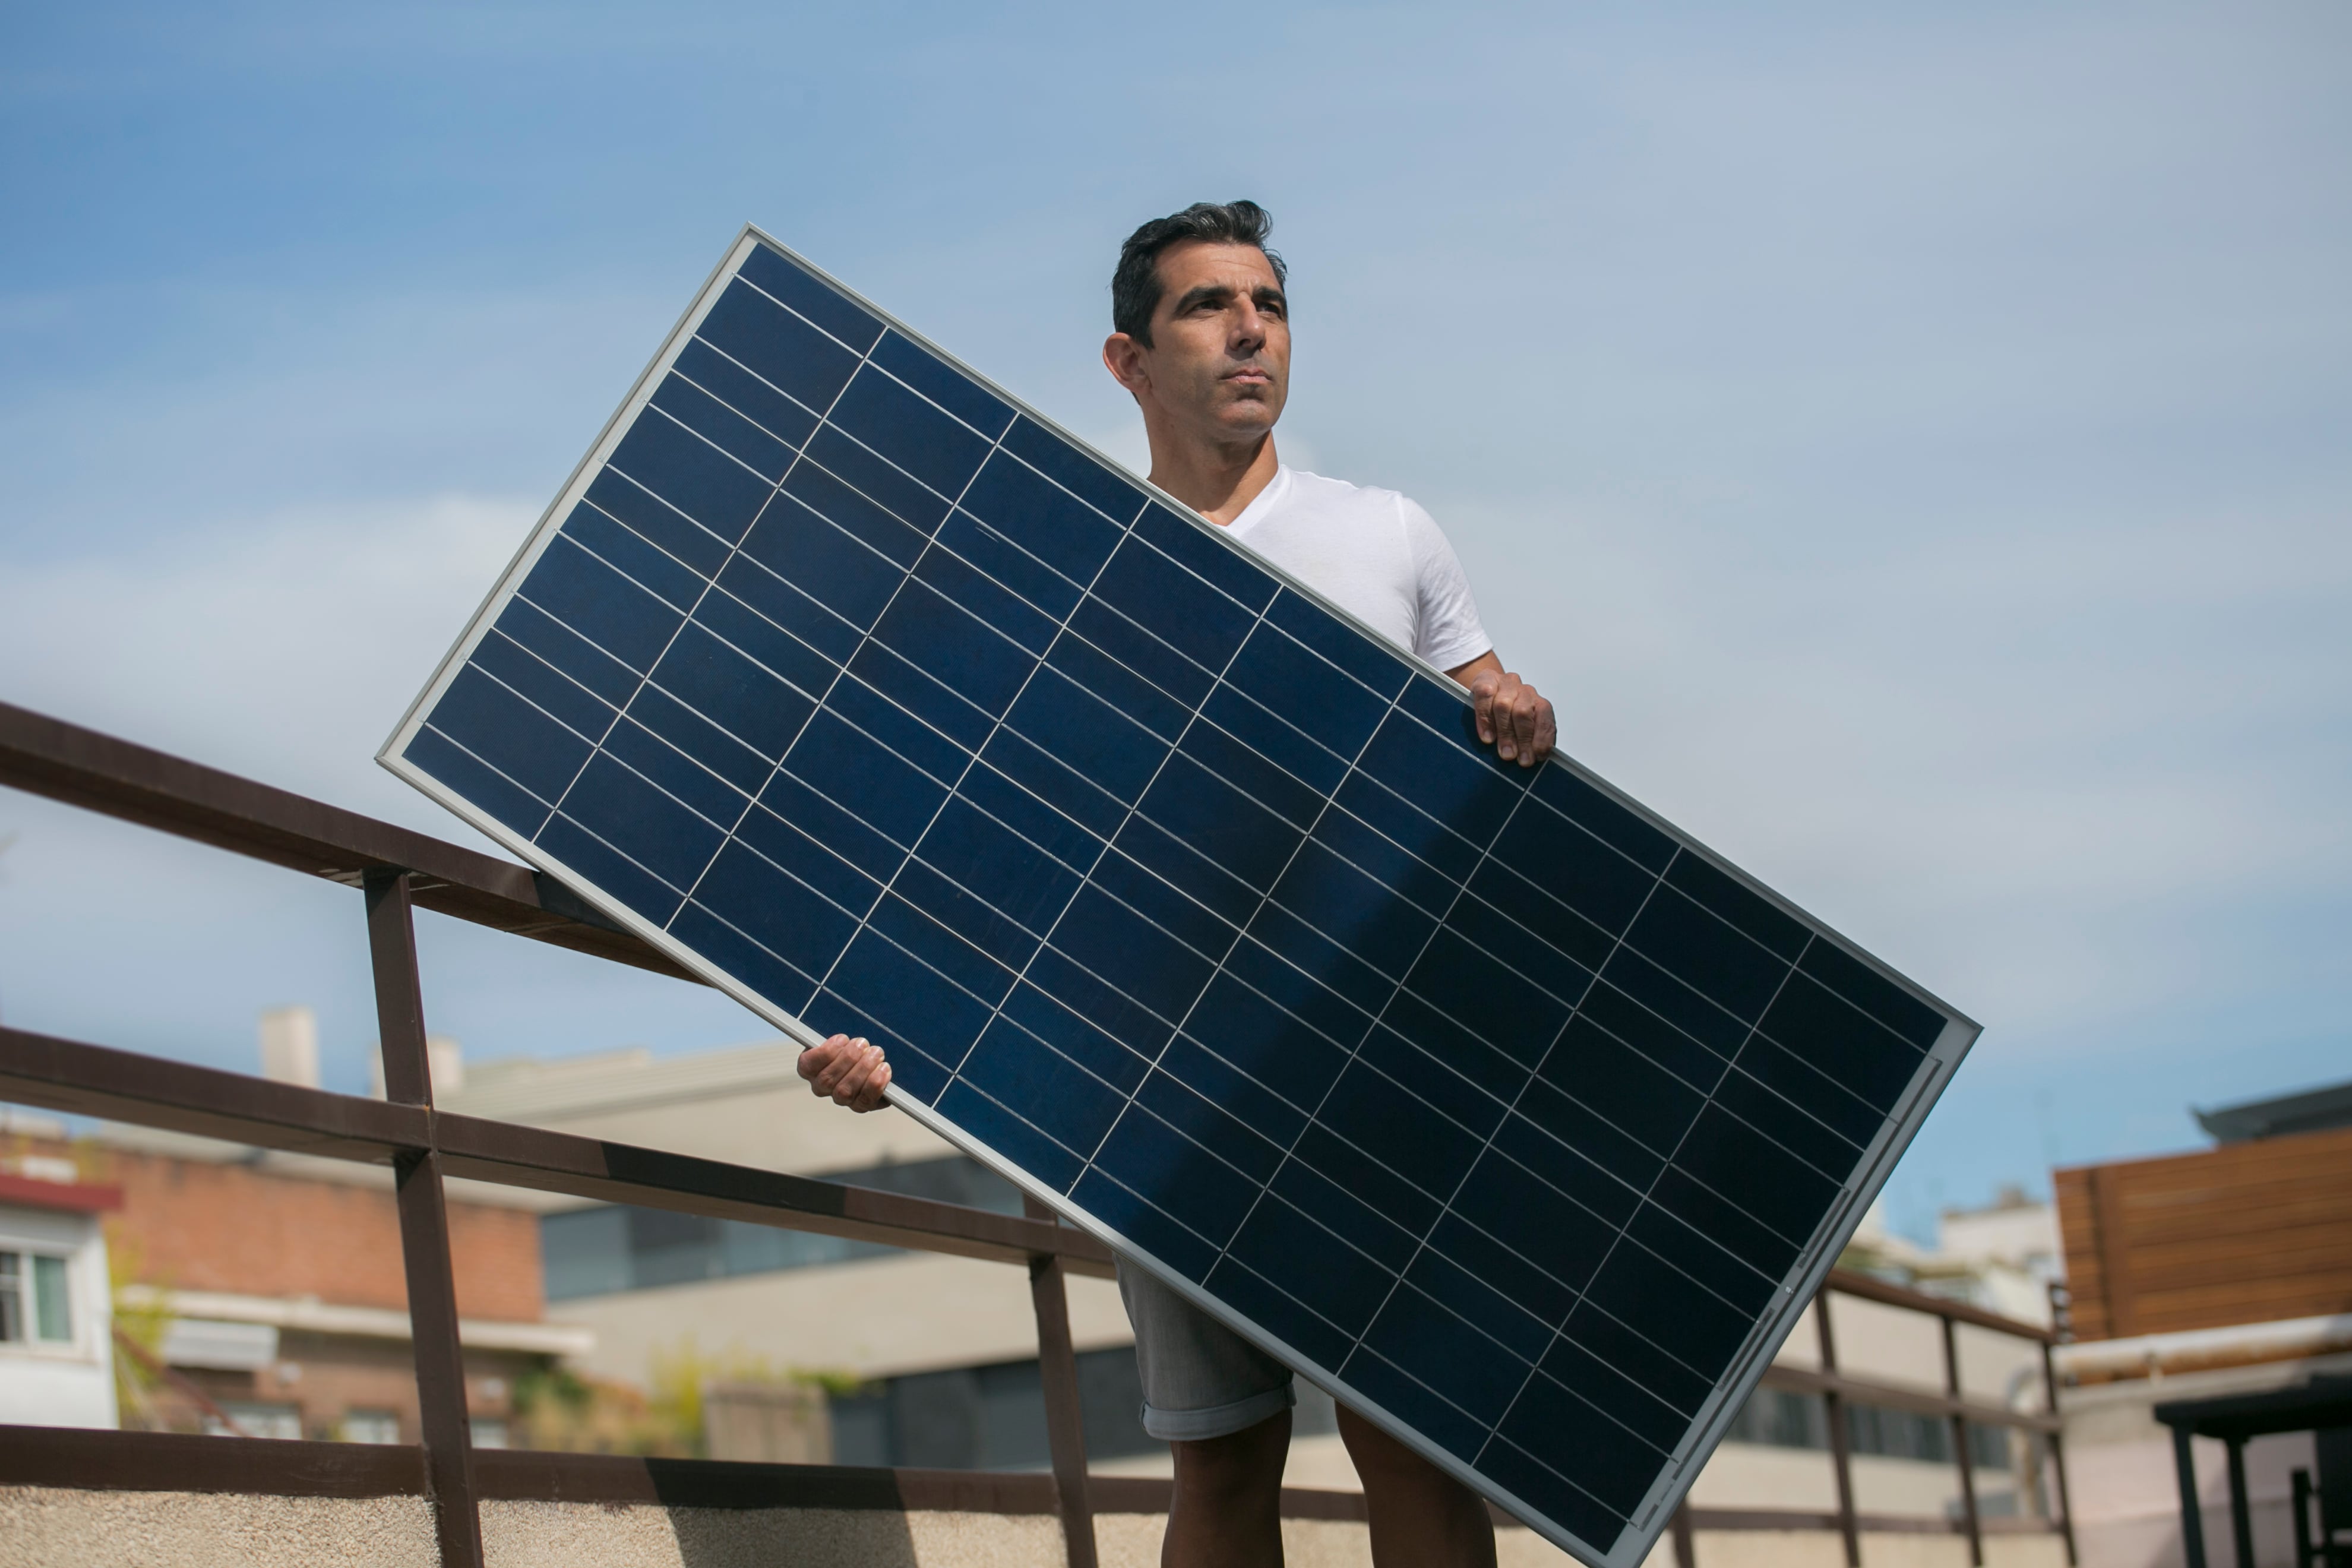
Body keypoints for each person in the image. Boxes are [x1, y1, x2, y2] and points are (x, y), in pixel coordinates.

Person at [799, 200, 1556, 1568]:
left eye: (1267, 303)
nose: (1249, 328)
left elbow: (1484, 743)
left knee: (1416, 1449)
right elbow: (983, 854)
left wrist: (1515, 711)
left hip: (1370, 1051)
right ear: (1127, 361)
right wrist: (874, 1039)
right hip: (1164, 1076)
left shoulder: (1388, 536)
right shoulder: (1060, 569)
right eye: (1208, 305)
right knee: (1220, 1463)